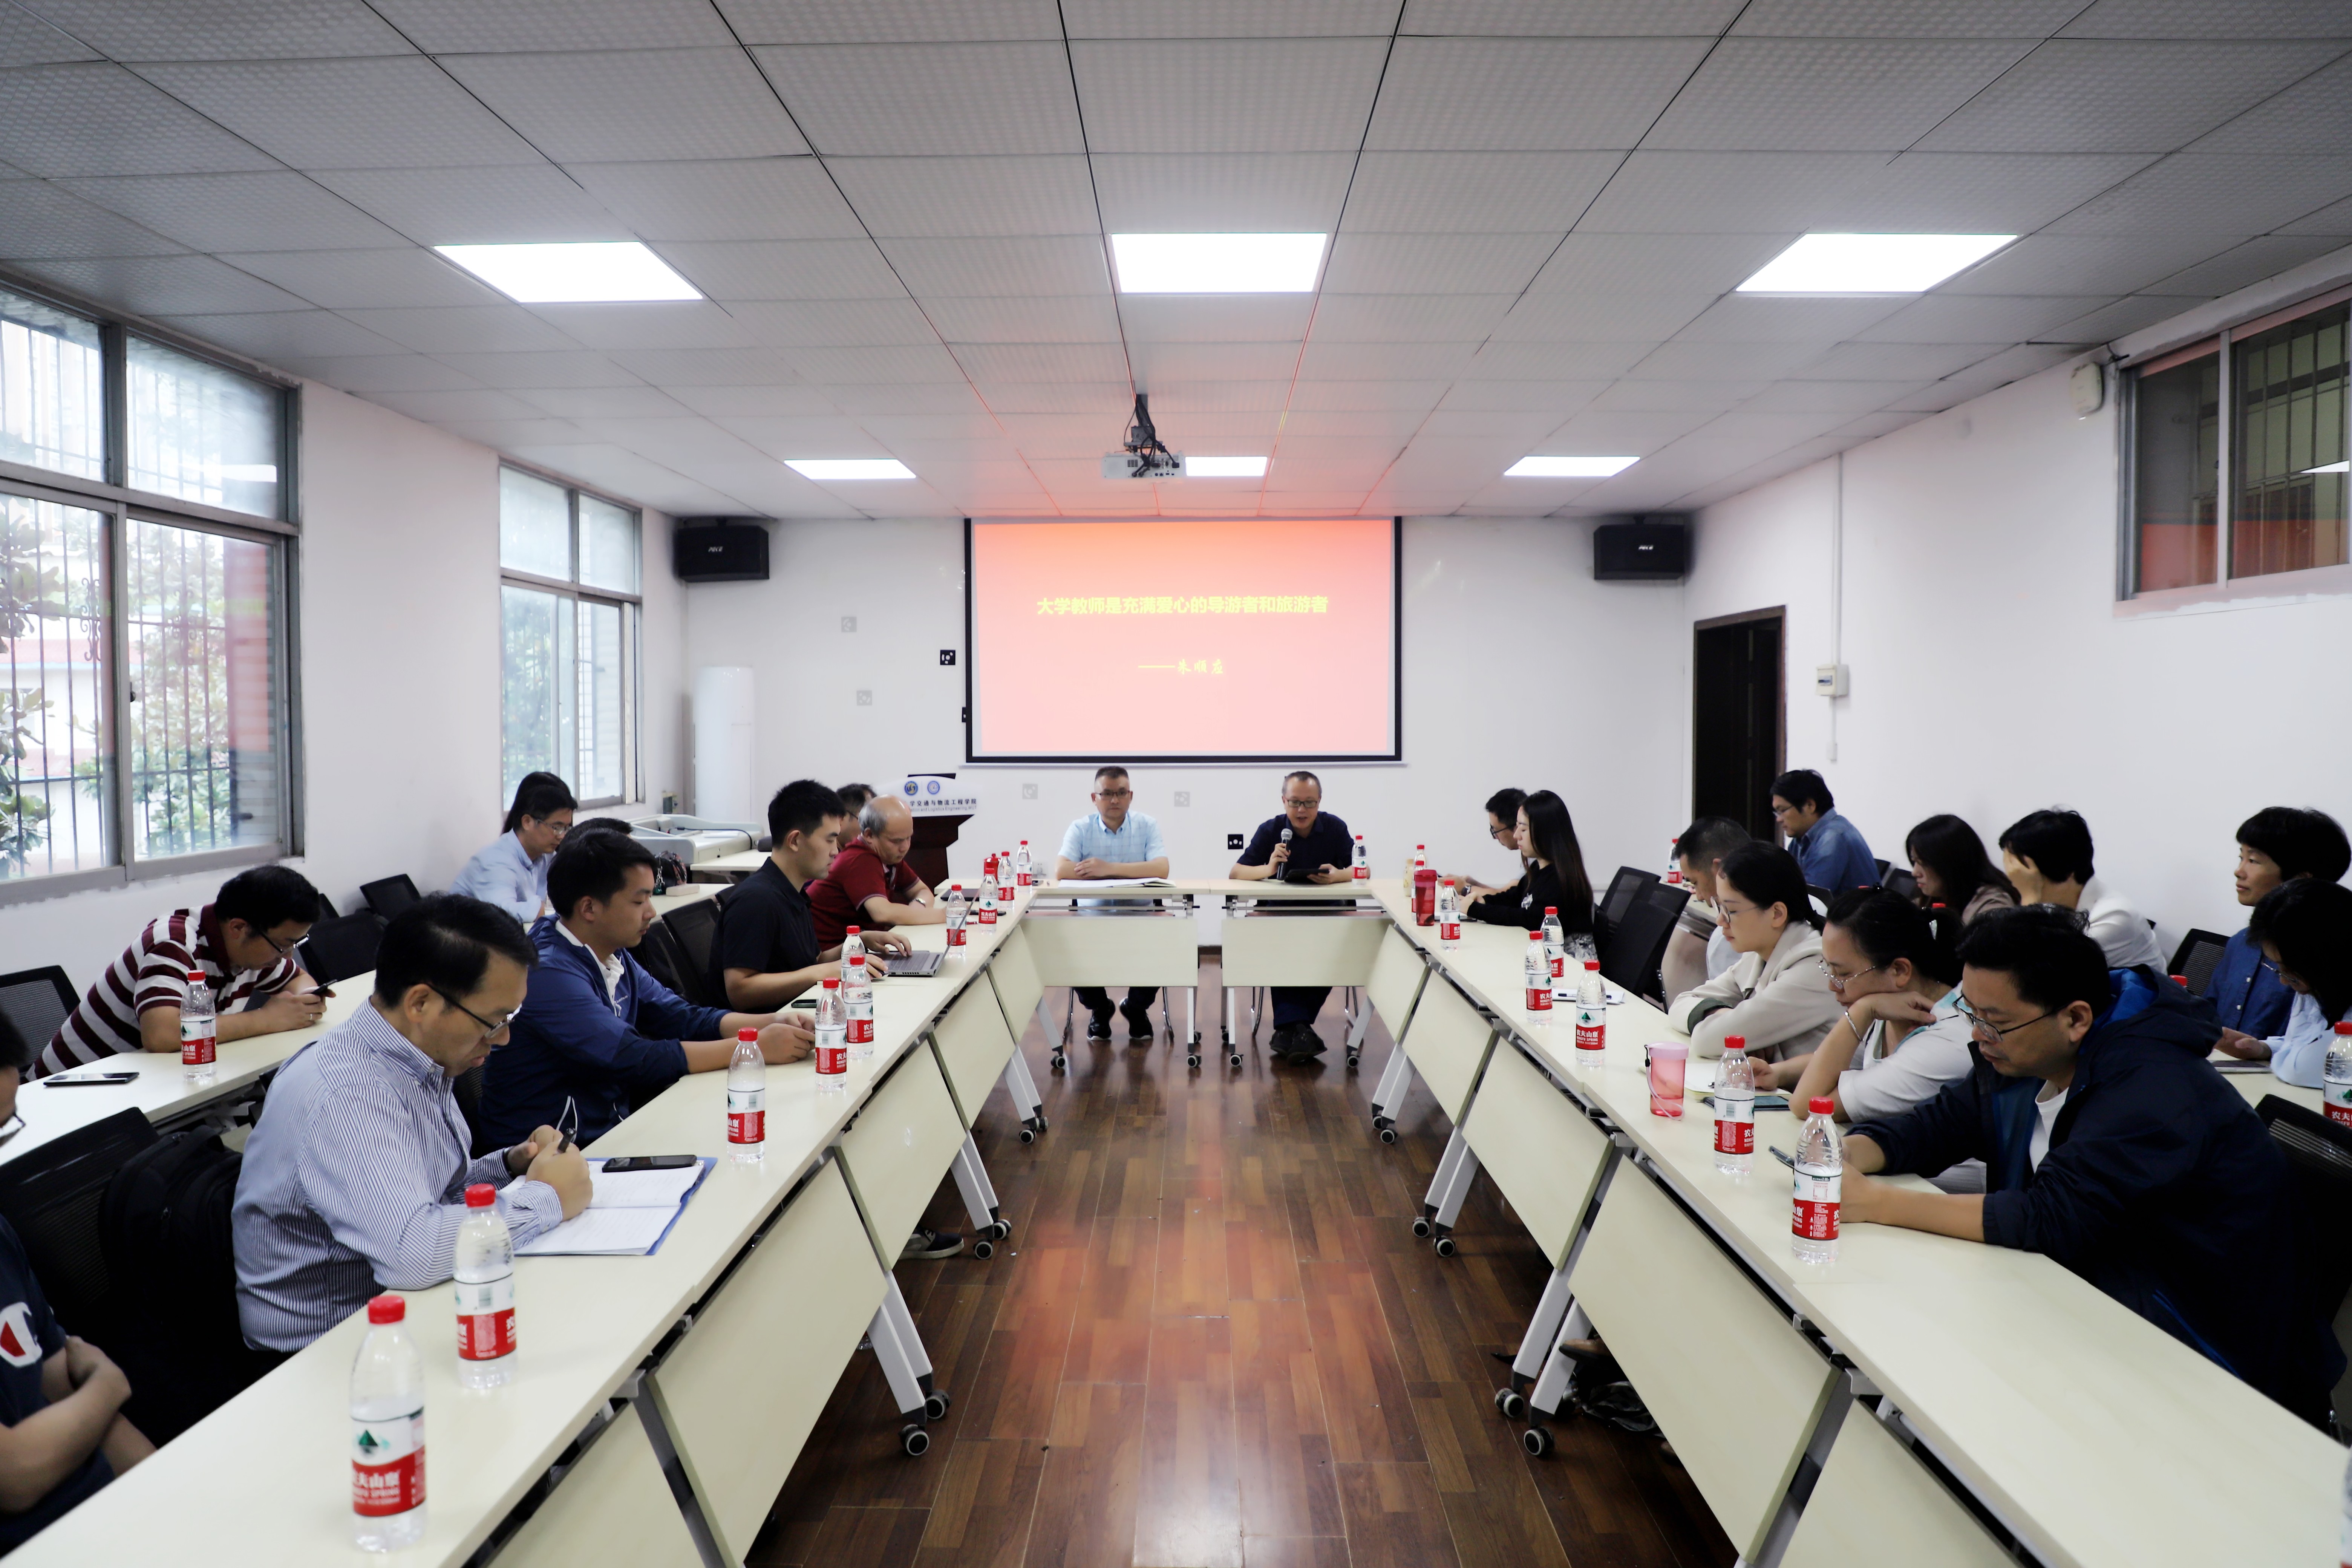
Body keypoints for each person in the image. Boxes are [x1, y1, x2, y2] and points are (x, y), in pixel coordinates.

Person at [1835, 907, 2330, 1420]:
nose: (1979, 1036)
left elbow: (2049, 1216)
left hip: (2198, 1352)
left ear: (2076, 1019)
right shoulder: (2024, 1054)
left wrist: (1875, 1203)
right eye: (1971, 1013)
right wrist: (1843, 1154)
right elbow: (1935, 1127)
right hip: (2084, 1302)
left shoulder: (2153, 1089)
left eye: (1994, 1021)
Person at [233, 895, 593, 1354]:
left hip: (398, 1310)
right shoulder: (347, 1095)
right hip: (328, 1352)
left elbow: (427, 1191)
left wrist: (509, 1165)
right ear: (421, 1002)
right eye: (494, 1020)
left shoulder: (412, 1058)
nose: (503, 1038)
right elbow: (415, 1252)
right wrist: (548, 1197)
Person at [477, 831, 818, 1150]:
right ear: (589, 908)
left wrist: (772, 1022)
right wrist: (753, 1048)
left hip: (608, 1131)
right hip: (549, 1156)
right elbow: (634, 1058)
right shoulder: (548, 972)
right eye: (639, 901)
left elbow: (681, 1017)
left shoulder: (610, 951)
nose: (652, 913)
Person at [0, 1012, 153, 1547]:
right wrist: (107, 1386)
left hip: (93, 1510)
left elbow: (57, 1372)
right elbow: (15, 1474)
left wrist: (171, 1494)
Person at [37, 865, 326, 1078]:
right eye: (283, 945)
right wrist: (267, 1019)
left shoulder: (255, 950)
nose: (287, 956)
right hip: (72, 1090)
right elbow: (162, 1035)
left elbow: (299, 980)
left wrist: (303, 1003)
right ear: (239, 928)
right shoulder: (173, 942)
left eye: (294, 944)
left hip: (152, 1081)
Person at [1785, 893, 1981, 1194]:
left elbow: (1808, 1104)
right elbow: (1839, 1061)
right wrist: (1776, 1072)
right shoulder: (1893, 1005)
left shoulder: (1946, 1039)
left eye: (1843, 974)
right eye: (1829, 970)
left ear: (1899, 971)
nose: (1832, 985)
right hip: (1894, 1180)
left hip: (1938, 1196)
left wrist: (1863, 1010)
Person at [710, 780, 906, 1011]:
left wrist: (857, 943)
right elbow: (740, 991)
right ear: (795, 841)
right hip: (763, 1028)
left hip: (795, 1015)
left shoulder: (794, 892)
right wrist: (823, 971)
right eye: (829, 840)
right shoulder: (756, 900)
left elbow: (811, 962)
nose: (836, 851)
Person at [1665, 842, 1839, 1062]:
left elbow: (1707, 1040)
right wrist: (1719, 1013)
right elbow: (1681, 1003)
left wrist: (1731, 1029)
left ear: (1777, 914)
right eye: (1719, 907)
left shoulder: (1814, 968)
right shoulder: (1760, 954)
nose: (1720, 920)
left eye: (1731, 910)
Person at [1231, 771, 1355, 1062]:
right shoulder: (1271, 830)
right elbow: (1236, 872)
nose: (1302, 810)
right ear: (1284, 801)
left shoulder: (1335, 828)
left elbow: (1362, 870)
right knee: (1282, 951)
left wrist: (1338, 876)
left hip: (1326, 918)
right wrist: (1268, 868)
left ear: (1320, 802)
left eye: (1309, 803)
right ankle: (1299, 1029)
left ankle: (1289, 1030)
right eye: (1295, 803)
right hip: (1279, 919)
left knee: (1333, 954)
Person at [2206, 807, 2348, 1039]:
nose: (2239, 871)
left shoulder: (2325, 956)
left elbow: (2322, 1044)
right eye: (2241, 858)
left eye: (2253, 860)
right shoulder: (2241, 942)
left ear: (2301, 880)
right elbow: (2208, 1012)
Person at [1053, 766, 1171, 1042]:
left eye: (1121, 793)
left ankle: (1136, 1008)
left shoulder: (1147, 825)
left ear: (1131, 796)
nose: (1115, 800)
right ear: (1094, 798)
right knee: (1067, 950)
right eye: (1107, 794)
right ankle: (1100, 1008)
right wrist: (1131, 871)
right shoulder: (1081, 828)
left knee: (1166, 944)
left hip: (1141, 919)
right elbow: (1062, 870)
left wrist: (1107, 869)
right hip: (1091, 921)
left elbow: (1161, 868)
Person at [2217, 878, 2352, 1088]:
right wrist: (2265, 1049)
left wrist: (2282, 1056)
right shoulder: (2317, 979)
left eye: (2290, 971)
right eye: (2278, 968)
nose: (2283, 980)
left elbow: (2302, 1070)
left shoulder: (2323, 977)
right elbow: (2306, 1042)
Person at [1997, 808, 2165, 969]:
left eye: (2022, 877)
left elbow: (2034, 972)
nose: (2015, 883)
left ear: (2064, 871)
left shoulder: (2114, 918)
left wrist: (2029, 900)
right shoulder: (2053, 905)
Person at [811, 795, 942, 946]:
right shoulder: (859, 859)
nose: (905, 847)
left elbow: (922, 891)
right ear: (869, 835)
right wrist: (945, 915)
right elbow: (883, 913)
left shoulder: (889, 857)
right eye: (897, 841)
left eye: (909, 838)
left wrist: (919, 906)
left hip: (857, 947)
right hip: (831, 953)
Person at [450, 772, 576, 925]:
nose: (562, 836)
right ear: (527, 822)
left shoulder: (545, 855)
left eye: (566, 828)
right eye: (557, 828)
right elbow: (503, 915)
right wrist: (538, 908)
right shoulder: (496, 862)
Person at [1464, 789, 1594, 934]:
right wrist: (1484, 901)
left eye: (1523, 829)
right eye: (1517, 827)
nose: (1516, 835)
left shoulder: (1560, 879)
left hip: (1566, 949)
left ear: (1544, 832)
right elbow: (1513, 898)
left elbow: (1531, 920)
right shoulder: (1538, 869)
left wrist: (1477, 910)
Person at [1662, 816, 1749, 999]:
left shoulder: (1726, 937)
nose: (1700, 896)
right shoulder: (1807, 903)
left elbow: (1725, 1007)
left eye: (1695, 882)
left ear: (1719, 870)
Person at [1770, 769, 1879, 893]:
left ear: (1810, 806)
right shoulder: (1801, 836)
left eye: (1783, 810)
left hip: (1851, 906)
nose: (1779, 819)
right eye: (1777, 813)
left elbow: (1811, 896)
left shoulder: (1834, 837)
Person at [1903, 814, 2018, 927]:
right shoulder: (1931, 898)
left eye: (1923, 863)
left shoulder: (1992, 907)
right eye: (1914, 862)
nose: (1915, 873)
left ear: (1952, 862)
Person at [1456, 787, 1528, 899]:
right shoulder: (1528, 856)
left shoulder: (1535, 858)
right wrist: (1473, 885)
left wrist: (1465, 889)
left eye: (1496, 831)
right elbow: (1506, 895)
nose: (1495, 837)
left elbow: (1508, 898)